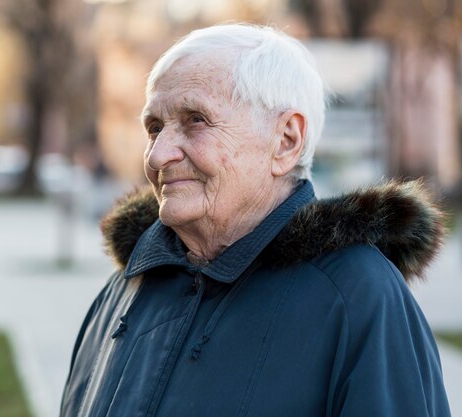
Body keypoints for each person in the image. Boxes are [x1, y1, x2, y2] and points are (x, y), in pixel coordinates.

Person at [60, 24, 451, 417]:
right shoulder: (126, 287)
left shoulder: (358, 298)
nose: (158, 156)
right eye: (154, 128)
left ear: (286, 141)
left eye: (196, 119)